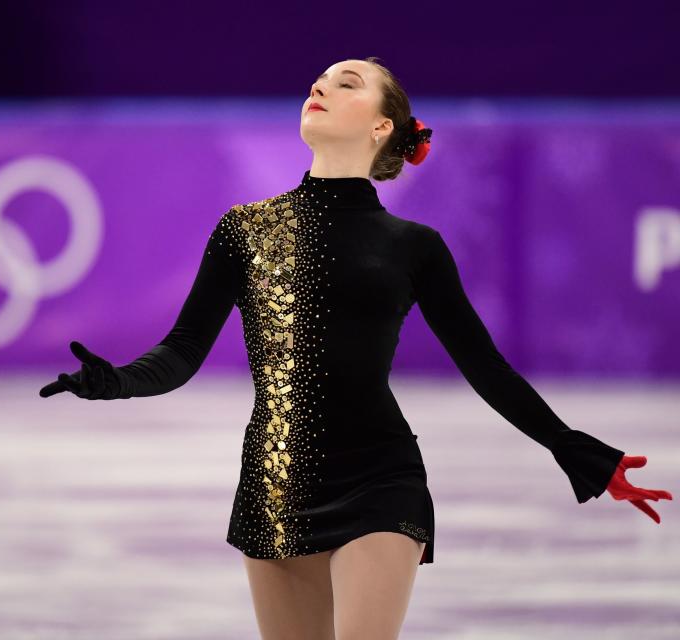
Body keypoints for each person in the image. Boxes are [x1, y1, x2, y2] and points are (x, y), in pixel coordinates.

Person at [39, 57, 672, 640]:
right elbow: (180, 352)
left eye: (346, 83)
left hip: (380, 478)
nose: (320, 87)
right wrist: (115, 381)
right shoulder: (243, 230)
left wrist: (579, 451)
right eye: (320, 80)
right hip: (275, 479)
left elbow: (485, 367)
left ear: (380, 127)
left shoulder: (413, 246)